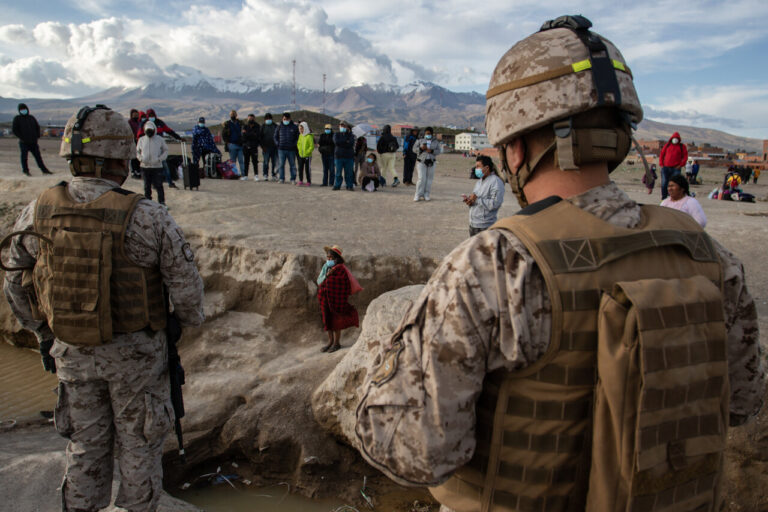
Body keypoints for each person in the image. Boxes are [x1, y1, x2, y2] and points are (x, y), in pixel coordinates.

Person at [354, 15, 763, 512]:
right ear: (618, 136)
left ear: (516, 147)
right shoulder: (708, 255)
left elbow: (415, 453)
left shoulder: (496, 263)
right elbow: (740, 404)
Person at [1, 105, 204, 512]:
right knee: (139, 452)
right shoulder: (146, 214)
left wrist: (43, 333)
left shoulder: (39, 209)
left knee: (85, 451)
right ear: (117, 159)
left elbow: (14, 281)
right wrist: (181, 325)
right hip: (137, 359)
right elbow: (188, 293)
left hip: (71, 354)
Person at [316, 245, 360, 353]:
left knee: (336, 322)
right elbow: (319, 280)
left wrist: (330, 279)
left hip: (336, 299)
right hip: (326, 299)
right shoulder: (326, 267)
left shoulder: (341, 269)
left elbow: (342, 285)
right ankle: (330, 342)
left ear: (336, 258)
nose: (329, 260)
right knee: (328, 320)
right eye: (328, 257)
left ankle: (337, 343)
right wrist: (327, 275)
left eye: (331, 258)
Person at [138, 108, 182, 189]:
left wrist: (178, 137)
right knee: (150, 168)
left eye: (153, 115)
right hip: (148, 149)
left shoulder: (159, 123)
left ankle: (170, 182)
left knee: (164, 166)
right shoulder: (145, 124)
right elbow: (140, 135)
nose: (152, 117)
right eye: (150, 115)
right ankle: (152, 183)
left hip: (159, 149)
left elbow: (169, 131)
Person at [464, 155, 505, 236]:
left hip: (485, 226)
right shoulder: (479, 182)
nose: (476, 169)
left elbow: (496, 204)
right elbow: (476, 198)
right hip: (474, 224)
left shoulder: (496, 182)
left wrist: (477, 200)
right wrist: (470, 201)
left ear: (486, 168)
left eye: (478, 167)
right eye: (476, 167)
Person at [12, 103, 52, 176]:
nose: (23, 111)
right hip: (24, 142)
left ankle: (44, 170)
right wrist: (22, 137)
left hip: (33, 142)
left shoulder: (31, 118)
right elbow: (15, 130)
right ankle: (26, 171)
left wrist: (37, 136)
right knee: (24, 157)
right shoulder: (17, 118)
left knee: (38, 157)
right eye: (22, 110)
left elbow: (37, 127)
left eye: (24, 109)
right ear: (19, 110)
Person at [136, 120, 168, 207]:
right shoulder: (141, 140)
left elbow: (165, 150)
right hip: (145, 166)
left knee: (158, 185)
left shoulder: (159, 139)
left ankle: (161, 202)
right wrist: (141, 159)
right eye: (147, 131)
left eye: (150, 131)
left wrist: (159, 159)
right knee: (147, 185)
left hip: (156, 166)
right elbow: (137, 152)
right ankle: (148, 202)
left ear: (154, 130)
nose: (149, 133)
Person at [659, 131, 688, 200]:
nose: (675, 139)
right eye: (674, 138)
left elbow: (685, 156)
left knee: (675, 184)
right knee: (664, 183)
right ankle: (663, 198)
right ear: (671, 138)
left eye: (677, 138)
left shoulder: (682, 146)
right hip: (666, 167)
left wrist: (681, 165)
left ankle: (673, 197)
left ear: (679, 139)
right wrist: (661, 164)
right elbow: (662, 154)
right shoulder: (667, 145)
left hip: (676, 168)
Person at [413, 126, 440, 201]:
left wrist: (431, 151)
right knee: (421, 178)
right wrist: (421, 149)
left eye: (429, 133)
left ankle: (426, 194)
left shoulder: (435, 141)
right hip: (421, 162)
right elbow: (414, 149)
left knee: (429, 179)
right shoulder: (420, 140)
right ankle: (418, 194)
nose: (428, 134)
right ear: (424, 133)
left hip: (431, 162)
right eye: (427, 133)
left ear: (432, 134)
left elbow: (439, 151)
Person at [274, 112, 299, 184]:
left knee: (292, 165)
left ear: (290, 119)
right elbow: (275, 137)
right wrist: (277, 144)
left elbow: (297, 137)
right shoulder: (279, 127)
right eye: (284, 119)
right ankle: (281, 178)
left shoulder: (294, 127)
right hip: (281, 149)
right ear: (282, 119)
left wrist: (294, 144)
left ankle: (293, 179)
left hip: (291, 150)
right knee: (281, 164)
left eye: (287, 119)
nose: (285, 120)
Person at [333, 121, 356, 190]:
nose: (342, 127)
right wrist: (346, 141)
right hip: (338, 157)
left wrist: (342, 142)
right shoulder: (336, 134)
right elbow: (336, 142)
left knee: (349, 173)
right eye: (341, 126)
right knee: (338, 173)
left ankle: (349, 186)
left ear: (347, 127)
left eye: (344, 126)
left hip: (349, 157)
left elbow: (351, 143)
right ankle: (337, 185)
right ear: (339, 127)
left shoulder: (351, 135)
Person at [222, 110, 244, 177]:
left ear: (236, 115)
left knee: (241, 161)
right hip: (232, 144)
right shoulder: (227, 124)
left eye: (234, 114)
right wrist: (227, 143)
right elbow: (224, 134)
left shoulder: (240, 123)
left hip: (240, 145)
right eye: (231, 114)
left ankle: (243, 174)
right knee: (233, 161)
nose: (233, 115)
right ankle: (234, 174)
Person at [242, 113, 261, 181]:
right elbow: (243, 136)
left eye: (252, 118)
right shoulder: (245, 126)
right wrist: (252, 134)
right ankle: (245, 175)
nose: (250, 119)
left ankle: (256, 175)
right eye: (249, 118)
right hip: (246, 147)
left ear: (254, 119)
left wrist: (247, 134)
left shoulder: (257, 126)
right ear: (247, 119)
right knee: (246, 162)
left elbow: (257, 136)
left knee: (255, 162)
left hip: (254, 146)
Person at [260, 113, 278, 181]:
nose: (268, 120)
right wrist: (262, 146)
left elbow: (278, 136)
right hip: (265, 148)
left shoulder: (275, 126)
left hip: (274, 147)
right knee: (266, 162)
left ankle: (274, 175)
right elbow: (260, 137)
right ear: (265, 119)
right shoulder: (263, 126)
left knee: (274, 162)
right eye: (267, 119)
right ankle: (265, 175)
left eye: (269, 118)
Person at [297, 121, 314, 186]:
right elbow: (298, 144)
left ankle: (308, 181)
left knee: (307, 169)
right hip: (301, 155)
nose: (301, 130)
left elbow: (311, 146)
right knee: (300, 168)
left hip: (307, 156)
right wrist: (299, 151)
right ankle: (300, 180)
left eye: (302, 129)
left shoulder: (309, 136)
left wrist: (307, 152)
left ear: (305, 128)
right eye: (300, 129)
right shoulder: (300, 136)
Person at [127, 109, 143, 178]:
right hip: (133, 141)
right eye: (134, 115)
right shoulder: (129, 122)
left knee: (139, 156)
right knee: (133, 157)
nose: (136, 116)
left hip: (140, 141)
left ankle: (138, 170)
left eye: (137, 115)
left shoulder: (140, 122)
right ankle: (133, 171)